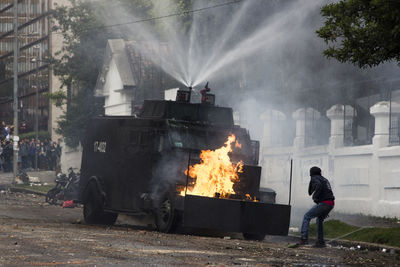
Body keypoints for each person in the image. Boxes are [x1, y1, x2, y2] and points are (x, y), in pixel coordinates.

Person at [299, 166, 335, 248]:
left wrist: (315, 197)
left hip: (325, 203)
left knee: (307, 216)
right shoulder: (324, 179)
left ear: (311, 173)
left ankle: (304, 239)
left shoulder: (314, 178)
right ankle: (320, 242)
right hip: (330, 203)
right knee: (319, 220)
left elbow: (318, 186)